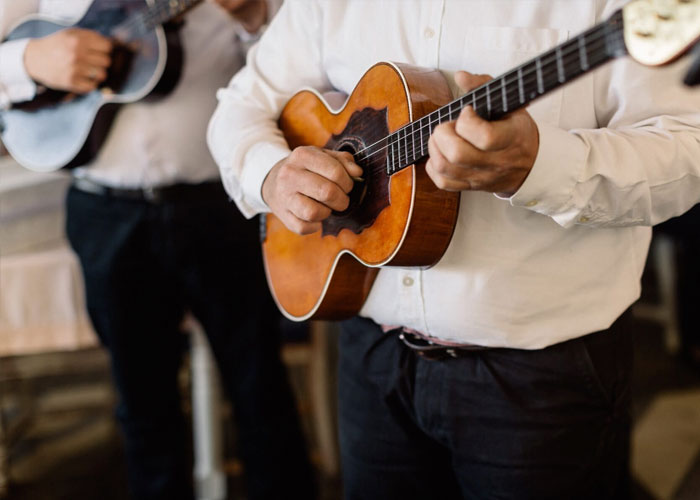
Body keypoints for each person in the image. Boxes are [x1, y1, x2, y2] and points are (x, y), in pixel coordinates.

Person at [207, 1, 700, 499]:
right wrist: (270, 175)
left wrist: (539, 165)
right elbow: (241, 105)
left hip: (539, 380)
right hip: (371, 356)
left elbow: (687, 149)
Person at [0, 1, 316, 499]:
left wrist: (252, 17)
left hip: (221, 208)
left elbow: (302, 74)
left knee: (262, 395)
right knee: (142, 407)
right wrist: (27, 60)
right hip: (105, 214)